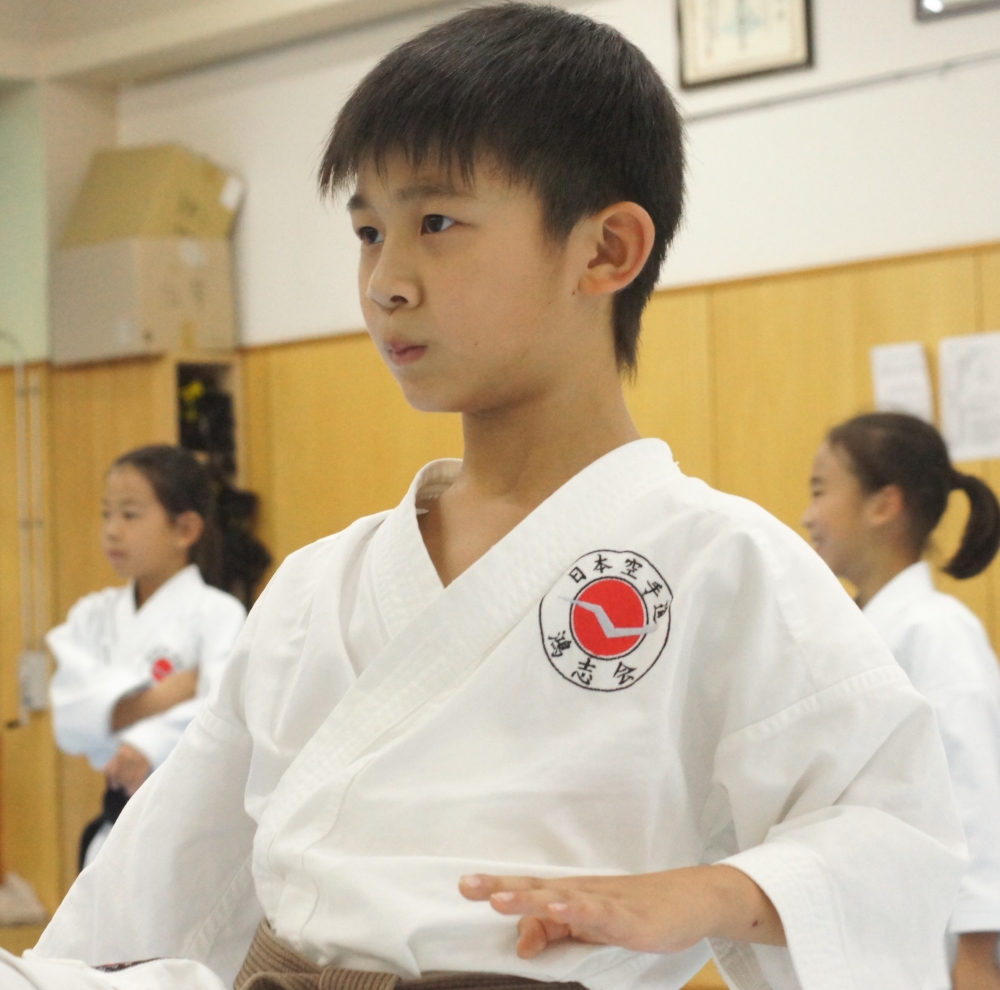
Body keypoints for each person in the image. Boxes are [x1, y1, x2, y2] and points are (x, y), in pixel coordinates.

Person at [4, 6, 966, 990]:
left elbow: (893, 831)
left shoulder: (718, 562)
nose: (385, 281)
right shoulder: (320, 587)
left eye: (436, 224)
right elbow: (167, 880)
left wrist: (716, 889)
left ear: (605, 252)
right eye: (368, 231)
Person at [802, 411, 1000, 990]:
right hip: (868, 940)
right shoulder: (858, 632)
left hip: (938, 956)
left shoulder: (936, 632)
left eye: (819, 491)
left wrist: (979, 955)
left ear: (884, 505)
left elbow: (978, 796)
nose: (807, 516)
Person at [47, 445, 247, 869]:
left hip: (190, 823)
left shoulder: (218, 613)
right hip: (114, 819)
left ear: (185, 529)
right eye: (106, 514)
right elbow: (70, 720)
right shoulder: (93, 615)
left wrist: (148, 742)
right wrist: (165, 696)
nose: (112, 530)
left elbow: (225, 711)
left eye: (130, 514)